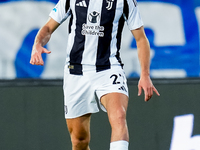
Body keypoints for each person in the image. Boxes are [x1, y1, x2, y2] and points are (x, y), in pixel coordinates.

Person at [30, 0, 160, 149]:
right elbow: (48, 27)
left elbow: (141, 38)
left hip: (109, 68)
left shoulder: (125, 1)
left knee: (119, 115)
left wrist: (145, 74)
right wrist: (38, 43)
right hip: (76, 71)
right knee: (79, 140)